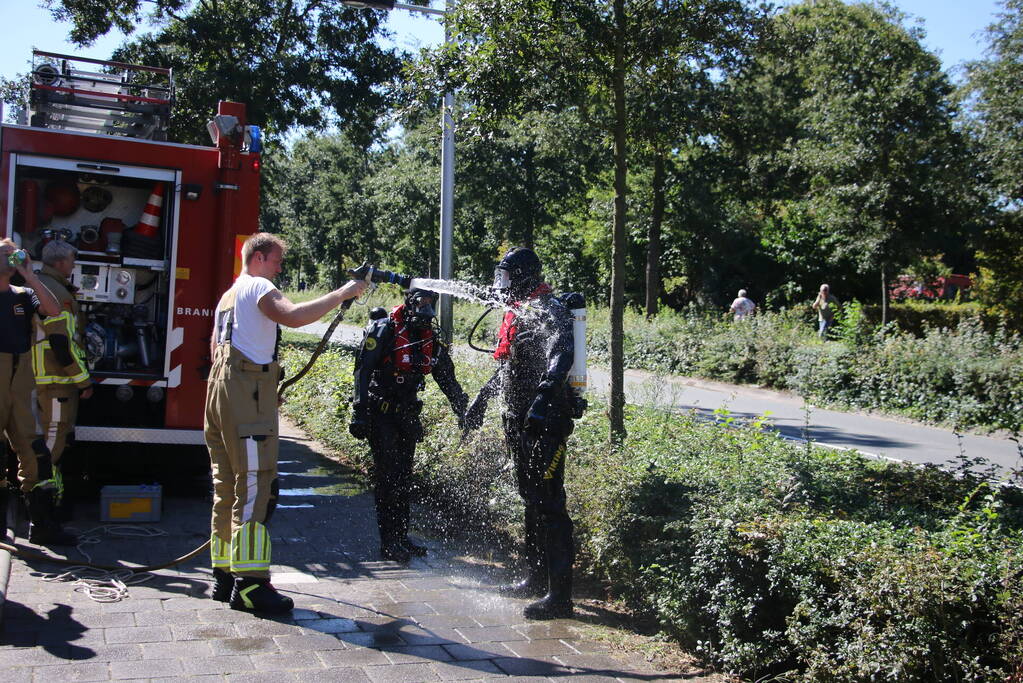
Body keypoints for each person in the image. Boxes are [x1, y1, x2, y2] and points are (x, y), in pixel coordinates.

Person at [205, 232, 366, 614]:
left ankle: (223, 576)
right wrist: (341, 294)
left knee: (226, 484)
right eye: (277, 260)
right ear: (259, 257)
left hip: (222, 390)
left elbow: (215, 350)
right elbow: (292, 317)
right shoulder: (259, 285)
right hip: (244, 392)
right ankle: (251, 586)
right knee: (257, 484)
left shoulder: (228, 296)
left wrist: (257, 382)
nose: (280, 267)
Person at [464, 246, 579, 620]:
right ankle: (534, 577)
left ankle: (560, 597)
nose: (502, 284)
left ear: (526, 276)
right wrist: (481, 400)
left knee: (549, 503)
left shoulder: (550, 309)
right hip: (517, 419)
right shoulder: (518, 312)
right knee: (529, 496)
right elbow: (509, 367)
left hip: (545, 421)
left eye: (507, 277)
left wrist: (544, 399)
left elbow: (562, 353)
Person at [349, 289, 468, 564]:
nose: (426, 309)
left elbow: (446, 377)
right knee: (388, 479)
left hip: (407, 415)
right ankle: (389, 542)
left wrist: (463, 408)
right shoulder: (385, 330)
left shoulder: (429, 336)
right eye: (421, 303)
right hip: (381, 414)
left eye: (431, 303)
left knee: (403, 479)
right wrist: (359, 412)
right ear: (410, 303)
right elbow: (362, 370)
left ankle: (401, 537)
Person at [0, 238, 70, 545]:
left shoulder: (24, 294)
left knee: (35, 454)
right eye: (4, 254)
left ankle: (42, 527)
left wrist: (29, 275)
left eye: (12, 254)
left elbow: (53, 310)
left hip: (21, 379)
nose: (10, 258)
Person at [32, 240, 93, 521]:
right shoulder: (57, 294)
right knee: (51, 447)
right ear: (59, 263)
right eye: (71, 260)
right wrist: (83, 382)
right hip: (56, 383)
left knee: (51, 444)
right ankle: (43, 515)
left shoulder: (43, 285)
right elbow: (61, 344)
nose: (73, 265)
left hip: (43, 382)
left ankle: (49, 507)